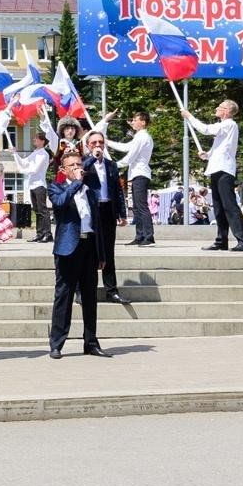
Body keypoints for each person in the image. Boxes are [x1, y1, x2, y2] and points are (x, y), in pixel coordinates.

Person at [48, 150, 111, 359]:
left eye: (79, 164)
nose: (77, 168)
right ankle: (57, 343)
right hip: (68, 248)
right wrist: (75, 183)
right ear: (63, 170)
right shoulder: (56, 187)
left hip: (89, 246)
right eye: (72, 165)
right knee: (63, 296)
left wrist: (101, 254)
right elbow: (60, 204)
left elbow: (98, 224)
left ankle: (91, 342)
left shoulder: (90, 190)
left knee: (90, 297)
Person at [185, 100, 243, 252]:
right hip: (217, 169)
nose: (216, 108)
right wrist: (207, 155)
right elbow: (221, 149)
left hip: (224, 171)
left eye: (220, 107)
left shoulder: (229, 124)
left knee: (230, 206)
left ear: (227, 111)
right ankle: (221, 240)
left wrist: (190, 116)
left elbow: (205, 129)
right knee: (219, 208)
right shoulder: (225, 127)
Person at [83, 130, 130, 305]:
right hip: (90, 212)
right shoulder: (84, 162)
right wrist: (92, 158)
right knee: (89, 252)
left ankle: (112, 290)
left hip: (107, 211)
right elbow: (81, 172)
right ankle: (84, 291)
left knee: (108, 253)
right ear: (88, 146)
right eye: (94, 143)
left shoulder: (111, 165)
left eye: (100, 142)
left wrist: (122, 213)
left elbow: (117, 190)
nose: (97, 146)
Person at [101, 110, 155, 247]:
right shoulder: (138, 137)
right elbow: (126, 147)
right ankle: (140, 235)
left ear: (143, 122)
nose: (133, 122)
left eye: (136, 119)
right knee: (136, 207)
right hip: (135, 174)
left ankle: (148, 236)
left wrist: (114, 165)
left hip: (140, 174)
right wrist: (107, 142)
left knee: (141, 206)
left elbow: (131, 156)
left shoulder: (143, 137)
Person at [12, 128, 52, 243]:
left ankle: (47, 233)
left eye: (36, 138)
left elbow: (34, 169)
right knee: (37, 210)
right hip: (32, 185)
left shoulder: (43, 154)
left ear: (42, 141)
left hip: (40, 185)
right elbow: (25, 162)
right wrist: (15, 153)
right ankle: (39, 234)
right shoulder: (35, 152)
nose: (34, 139)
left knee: (43, 210)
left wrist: (23, 170)